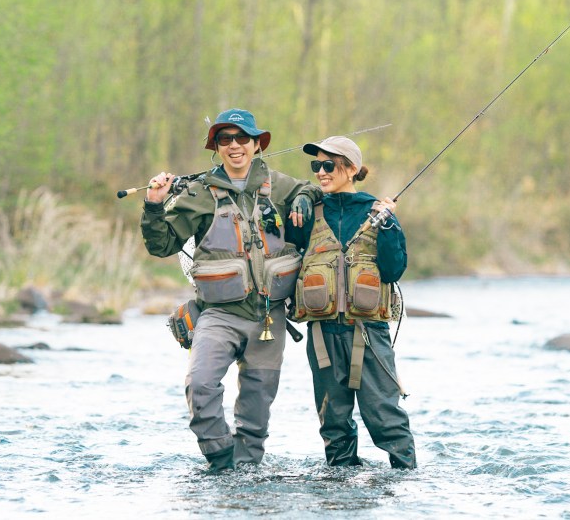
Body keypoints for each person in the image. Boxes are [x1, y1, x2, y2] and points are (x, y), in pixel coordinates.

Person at [140, 108, 321, 472]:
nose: (234, 145)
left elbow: (313, 188)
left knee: (257, 410)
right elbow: (162, 245)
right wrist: (154, 204)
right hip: (218, 315)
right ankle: (222, 461)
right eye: (225, 139)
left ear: (256, 144)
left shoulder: (279, 185)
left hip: (270, 316)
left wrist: (305, 195)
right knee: (200, 386)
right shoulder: (199, 194)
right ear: (217, 147)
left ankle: (247, 475)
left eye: (242, 138)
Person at [289, 135, 416, 469]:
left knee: (385, 418)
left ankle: (406, 481)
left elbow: (393, 269)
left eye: (328, 165)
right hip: (322, 336)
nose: (320, 172)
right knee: (333, 423)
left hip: (369, 333)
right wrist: (303, 195)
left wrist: (388, 226)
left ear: (351, 169)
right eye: (316, 165)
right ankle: (339, 486)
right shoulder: (308, 212)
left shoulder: (378, 212)